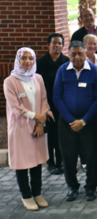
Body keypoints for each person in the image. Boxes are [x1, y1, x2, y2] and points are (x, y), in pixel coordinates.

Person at [53, 41, 97, 202]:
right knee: (68, 157)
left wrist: (84, 120)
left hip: (90, 122)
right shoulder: (62, 70)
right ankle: (72, 187)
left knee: (92, 157)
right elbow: (57, 97)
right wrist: (71, 120)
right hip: (67, 123)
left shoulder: (94, 71)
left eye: (80, 53)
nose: (77, 57)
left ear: (85, 53)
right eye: (73, 54)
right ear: (68, 55)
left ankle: (91, 188)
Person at [5, 47, 53, 210]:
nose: (27, 62)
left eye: (31, 58)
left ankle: (37, 193)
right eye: (24, 58)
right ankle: (26, 195)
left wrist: (40, 123)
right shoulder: (10, 81)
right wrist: (35, 116)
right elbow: (15, 107)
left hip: (37, 126)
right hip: (20, 128)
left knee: (36, 161)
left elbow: (44, 101)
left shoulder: (37, 78)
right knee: (22, 162)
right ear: (18, 60)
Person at [36, 33, 69, 175]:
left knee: (61, 134)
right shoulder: (40, 62)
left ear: (63, 45)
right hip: (46, 104)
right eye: (54, 43)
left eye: (60, 43)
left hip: (62, 105)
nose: (57, 45)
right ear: (48, 45)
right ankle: (51, 162)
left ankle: (61, 162)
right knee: (50, 134)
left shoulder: (67, 61)